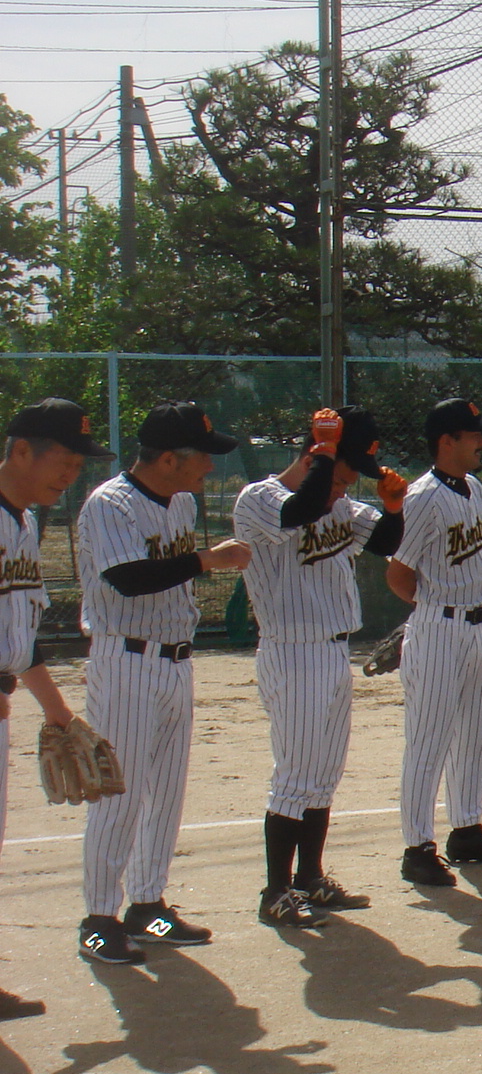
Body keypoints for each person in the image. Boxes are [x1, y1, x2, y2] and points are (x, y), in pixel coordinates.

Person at [75, 401, 251, 965]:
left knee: (166, 795)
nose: (211, 467)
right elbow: (128, 579)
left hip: (175, 661)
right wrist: (206, 560)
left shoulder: (179, 502)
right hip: (124, 661)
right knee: (119, 794)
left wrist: (200, 561)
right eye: (203, 457)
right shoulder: (110, 504)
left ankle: (147, 906)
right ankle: (98, 922)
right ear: (170, 458)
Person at [232, 405, 407, 928]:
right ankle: (275, 892)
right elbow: (298, 511)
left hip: (332, 651)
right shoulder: (259, 499)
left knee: (323, 776)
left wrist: (394, 509)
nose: (344, 489)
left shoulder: (338, 505)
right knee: (295, 775)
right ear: (314, 459)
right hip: (292, 651)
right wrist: (325, 457)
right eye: (340, 477)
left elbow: (386, 542)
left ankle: (310, 878)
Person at [1, 399, 110, 1011]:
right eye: (63, 461)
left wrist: (58, 712)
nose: (71, 474)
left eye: (77, 465)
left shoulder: (21, 522)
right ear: (21, 451)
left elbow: (20, 637)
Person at [389, 397, 482, 888]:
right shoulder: (422, 497)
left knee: (475, 734)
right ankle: (417, 846)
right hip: (440, 628)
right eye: (474, 434)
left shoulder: (473, 487)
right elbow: (398, 573)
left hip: (481, 626)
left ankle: (466, 829)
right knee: (428, 740)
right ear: (447, 442)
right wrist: (428, 613)